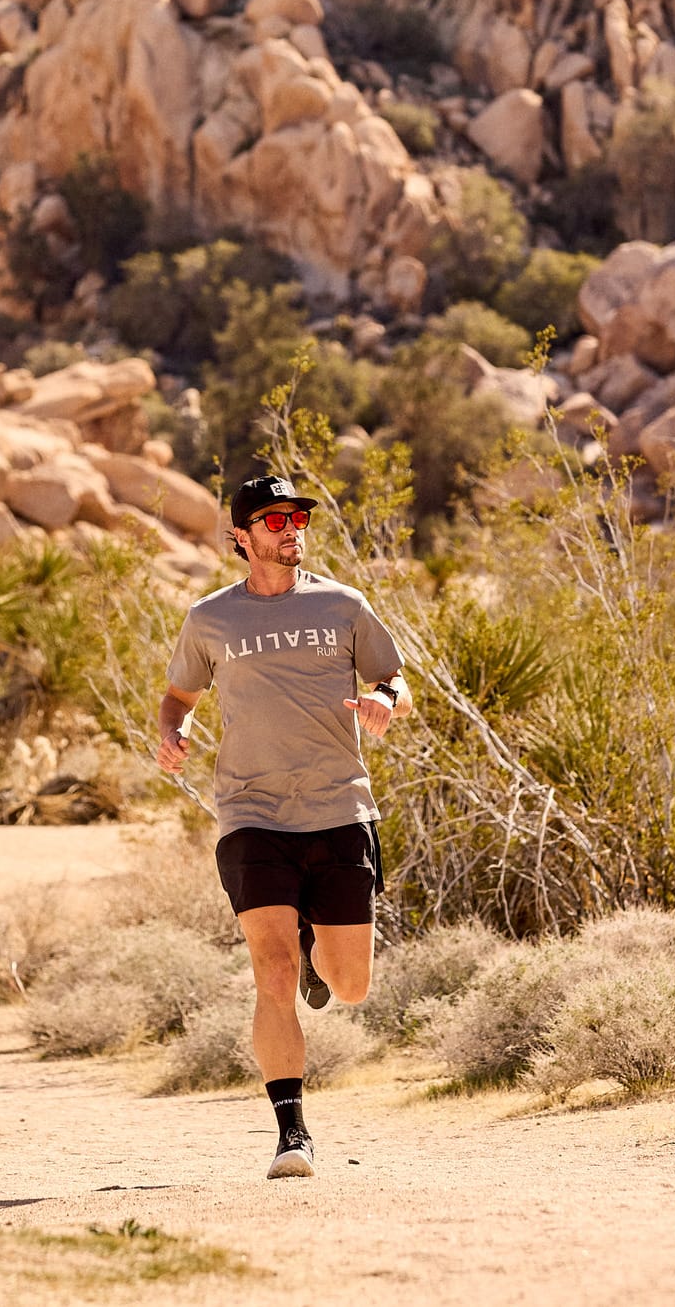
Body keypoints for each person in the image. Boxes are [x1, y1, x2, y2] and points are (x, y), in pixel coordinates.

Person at [155, 472, 411, 1180]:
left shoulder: (342, 603)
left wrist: (387, 700)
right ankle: (291, 1134)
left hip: (337, 809)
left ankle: (312, 945)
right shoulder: (210, 618)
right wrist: (173, 733)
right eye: (274, 520)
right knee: (271, 971)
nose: (291, 528)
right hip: (251, 812)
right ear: (241, 537)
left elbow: (395, 679)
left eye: (297, 517)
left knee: (350, 984)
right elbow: (177, 696)